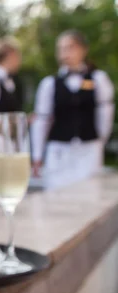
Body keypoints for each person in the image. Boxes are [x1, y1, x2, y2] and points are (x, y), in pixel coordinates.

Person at [31, 30, 115, 188]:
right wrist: (37, 155)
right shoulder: (49, 84)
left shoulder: (98, 79)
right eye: (61, 48)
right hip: (59, 152)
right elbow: (42, 121)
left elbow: (105, 115)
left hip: (88, 151)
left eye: (70, 47)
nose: (65, 53)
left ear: (83, 49)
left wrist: (98, 141)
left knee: (89, 196)